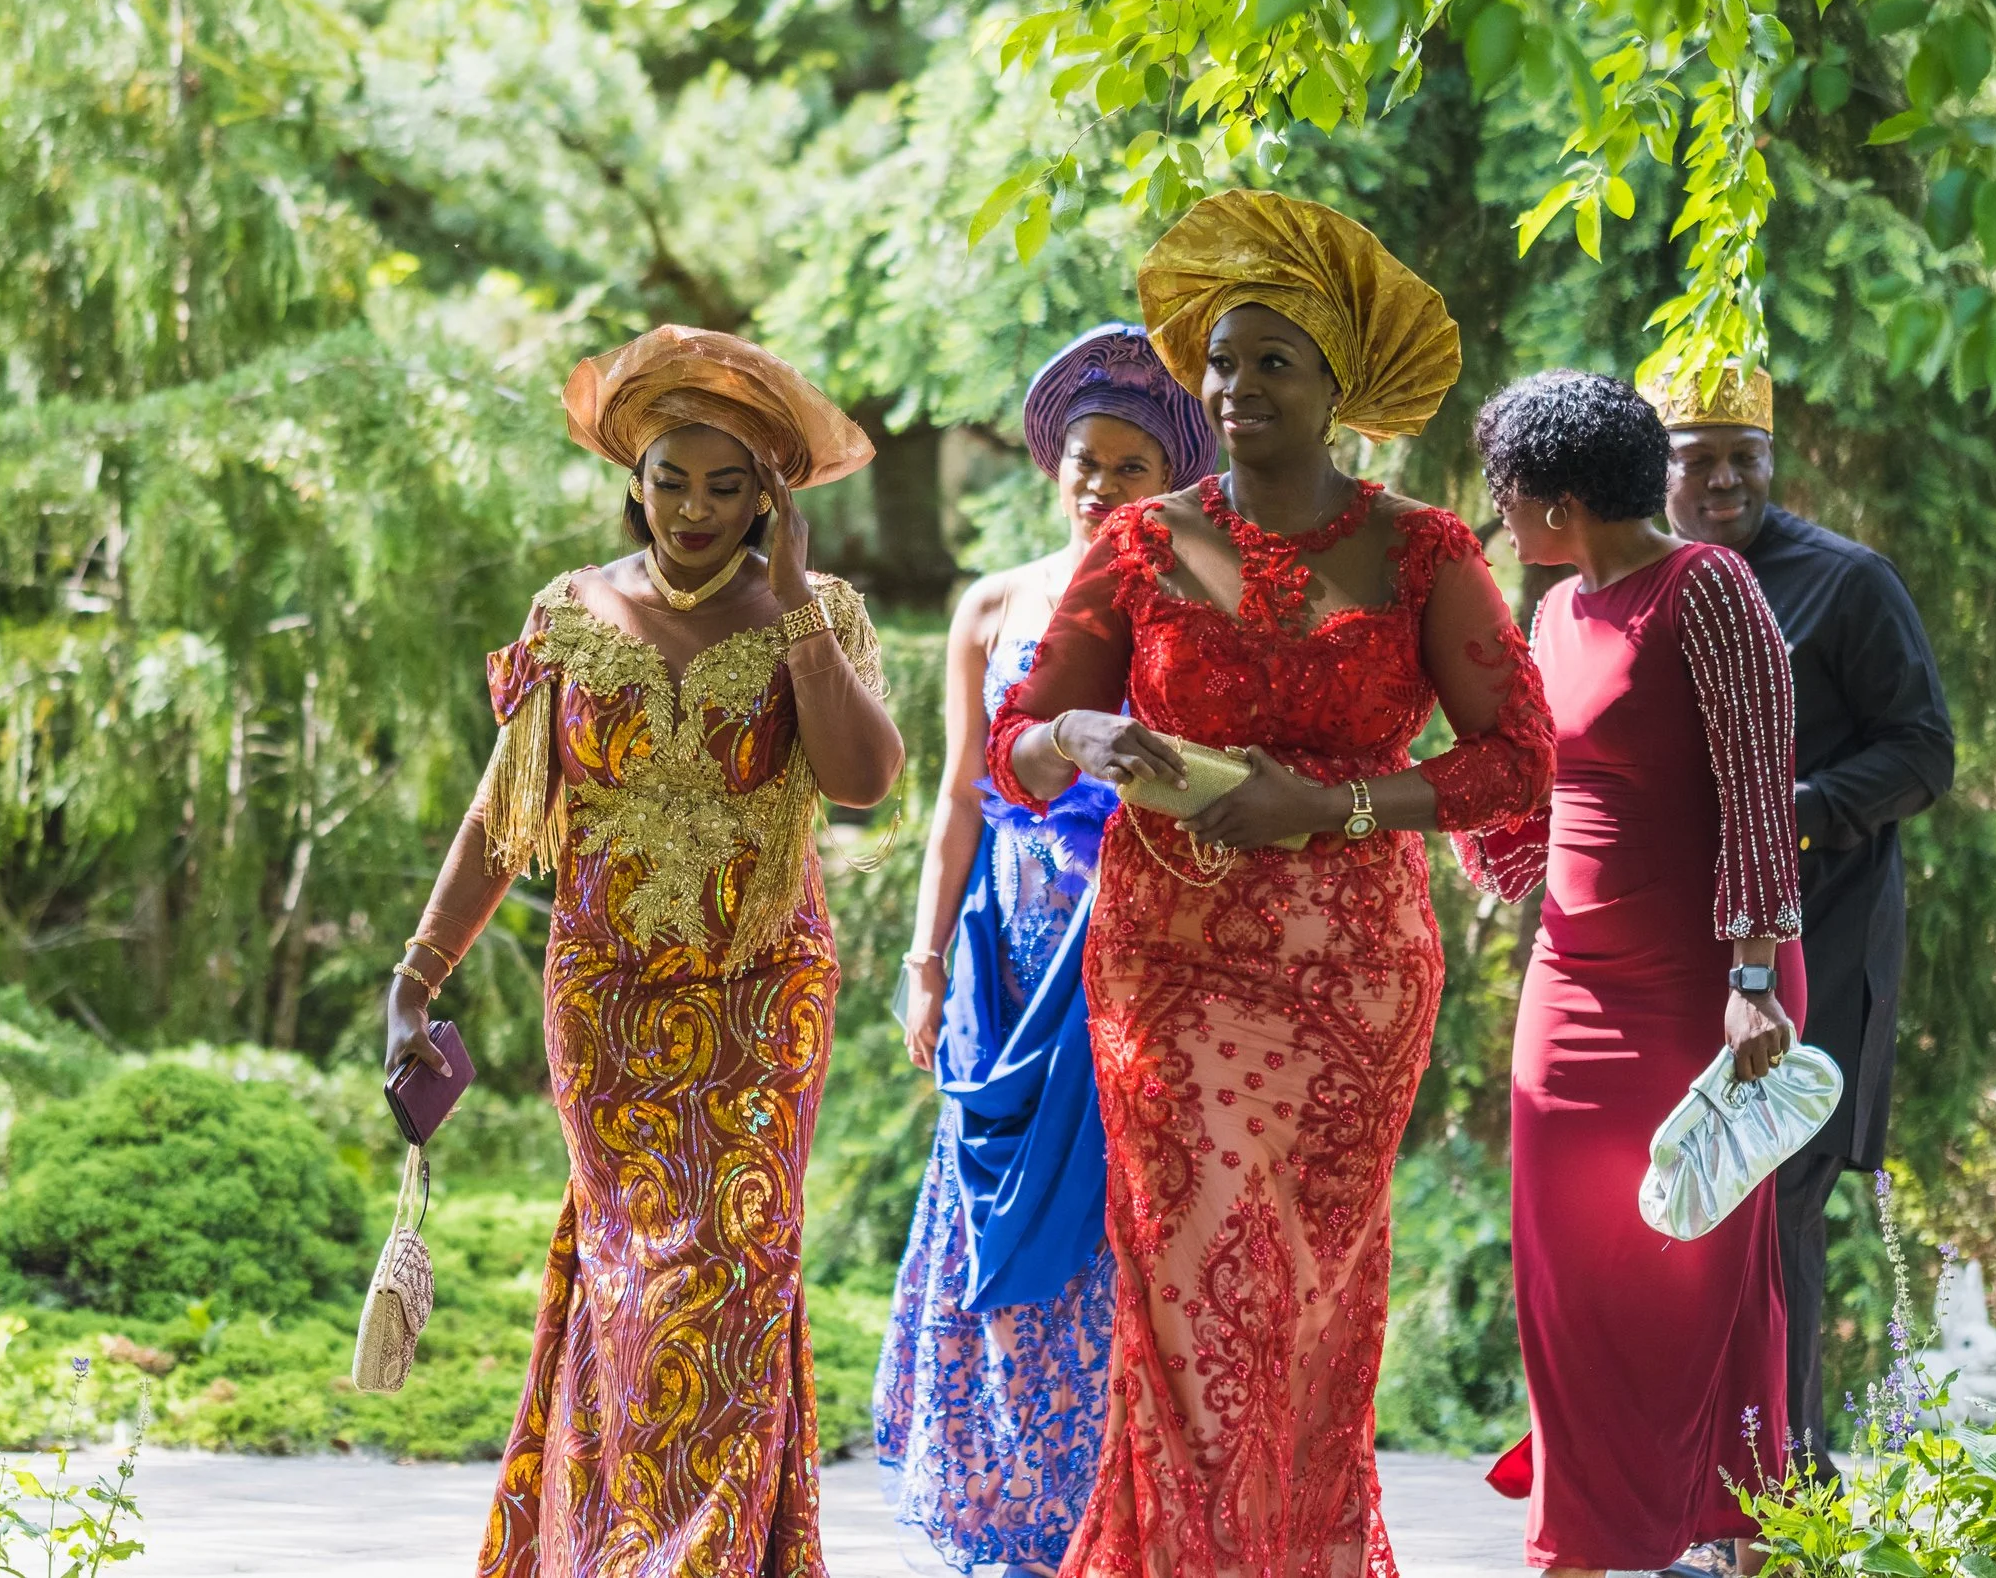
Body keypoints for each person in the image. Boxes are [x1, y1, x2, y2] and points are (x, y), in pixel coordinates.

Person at [987, 191, 1555, 1578]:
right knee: (1188, 1285)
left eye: (1273, 362)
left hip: (1353, 981)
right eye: (1223, 362)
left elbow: (1517, 761)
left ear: (1337, 384)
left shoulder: (1423, 549)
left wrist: (1336, 802)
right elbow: (1017, 746)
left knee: (1305, 1298)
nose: (1237, 387)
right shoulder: (1135, 545)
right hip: (1166, 967)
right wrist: (1081, 734)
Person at [383, 326, 905, 1578]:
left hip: (761, 997)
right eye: (673, 479)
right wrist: (415, 977)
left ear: (769, 497)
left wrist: (796, 612)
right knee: (627, 1274)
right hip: (606, 997)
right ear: (636, 476)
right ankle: (611, 1547)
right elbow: (502, 815)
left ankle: (698, 1557)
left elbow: (863, 781)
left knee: (734, 1262)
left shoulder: (816, 612)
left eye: (728, 486)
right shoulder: (569, 614)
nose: (696, 509)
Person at [873, 324, 1215, 1576]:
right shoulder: (990, 603)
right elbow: (957, 800)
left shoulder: (1190, 605)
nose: (1102, 484)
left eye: (1132, 466)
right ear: (1051, 465)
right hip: (1000, 950)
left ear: (1169, 481)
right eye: (1087, 461)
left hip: (1131, 943)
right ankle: (998, 1509)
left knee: (1108, 1222)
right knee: (984, 1202)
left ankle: (1098, 1514)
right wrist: (922, 962)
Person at [1461, 368, 1804, 1578]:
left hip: (1702, 988)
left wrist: (1752, 976)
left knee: (1701, 1272)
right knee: (1566, 1274)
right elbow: (1534, 792)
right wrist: (1456, 820)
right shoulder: (1555, 610)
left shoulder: (1705, 587)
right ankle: (1578, 1540)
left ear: (1560, 500)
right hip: (1569, 984)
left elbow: (1758, 784)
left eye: (1507, 490)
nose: (1499, 512)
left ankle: (1746, 1533)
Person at [1657, 367, 1954, 1486]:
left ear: (1773, 459)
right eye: (1698, 457)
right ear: (1658, 469)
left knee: (1771, 1213)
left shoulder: (1846, 582)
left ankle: (1784, 1494)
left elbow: (1924, 752)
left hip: (1817, 945)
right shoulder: (1643, 582)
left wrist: (1789, 810)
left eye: (1746, 455)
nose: (1725, 479)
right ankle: (1690, 1493)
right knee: (1681, 1214)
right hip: (1673, 950)